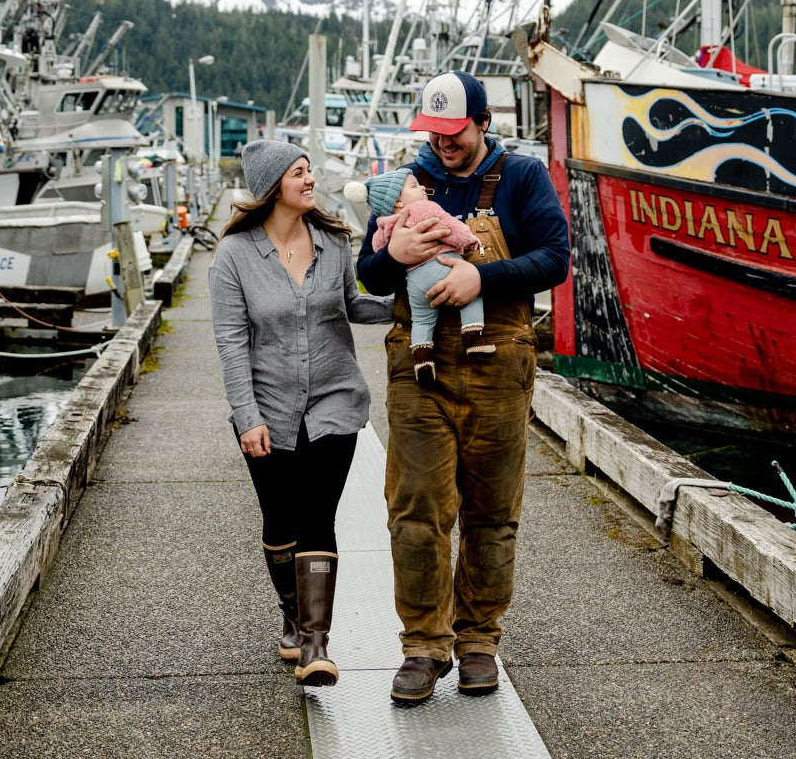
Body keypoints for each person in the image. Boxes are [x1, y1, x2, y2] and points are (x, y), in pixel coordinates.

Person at [356, 70, 570, 704]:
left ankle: (479, 641)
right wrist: (393, 258)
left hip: (498, 361)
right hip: (419, 366)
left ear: (482, 123)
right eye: (434, 134)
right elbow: (369, 277)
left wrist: (483, 279)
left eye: (454, 134)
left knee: (492, 512)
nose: (443, 145)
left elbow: (555, 258)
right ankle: (423, 646)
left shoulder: (523, 177)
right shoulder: (405, 182)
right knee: (416, 508)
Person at [209, 138, 392, 687]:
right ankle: (292, 616)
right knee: (279, 522)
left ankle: (316, 644)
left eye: (310, 170)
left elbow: (354, 304)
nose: (310, 180)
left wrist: (412, 302)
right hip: (268, 408)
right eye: (298, 173)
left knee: (317, 516)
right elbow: (230, 342)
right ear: (271, 187)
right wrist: (247, 417)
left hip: (335, 401)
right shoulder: (234, 255)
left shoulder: (334, 242)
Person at [345, 170, 491, 385]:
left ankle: (422, 359)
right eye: (414, 186)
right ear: (398, 202)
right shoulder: (424, 207)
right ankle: (473, 337)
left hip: (415, 282)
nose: (422, 187)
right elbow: (449, 227)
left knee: (422, 319)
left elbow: (377, 247)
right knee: (471, 296)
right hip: (443, 268)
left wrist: (392, 254)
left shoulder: (384, 223)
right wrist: (468, 240)